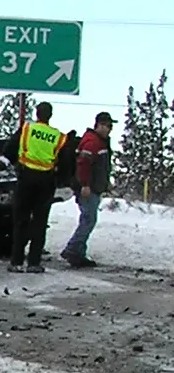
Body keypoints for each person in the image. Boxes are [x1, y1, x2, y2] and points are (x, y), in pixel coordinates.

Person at [9, 100, 66, 274]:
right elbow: (63, 162)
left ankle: (16, 261)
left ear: (37, 114)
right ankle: (34, 262)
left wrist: (17, 165)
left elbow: (8, 149)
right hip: (46, 181)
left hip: (26, 177)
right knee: (40, 222)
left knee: (21, 221)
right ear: (50, 116)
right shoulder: (58, 136)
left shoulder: (27, 129)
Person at [62, 111, 114, 269]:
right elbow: (83, 164)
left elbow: (100, 167)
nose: (108, 129)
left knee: (88, 219)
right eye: (105, 125)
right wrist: (85, 185)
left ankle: (78, 253)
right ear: (97, 125)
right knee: (88, 220)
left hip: (93, 187)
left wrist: (106, 182)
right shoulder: (92, 142)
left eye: (110, 126)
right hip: (88, 189)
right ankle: (73, 250)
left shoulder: (100, 142)